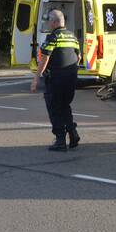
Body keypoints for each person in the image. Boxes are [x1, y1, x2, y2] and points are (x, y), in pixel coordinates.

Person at [30, 9, 81, 151]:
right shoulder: (72, 37)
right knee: (65, 106)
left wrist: (36, 78)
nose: (48, 24)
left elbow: (45, 58)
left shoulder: (53, 37)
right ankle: (73, 134)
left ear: (54, 22)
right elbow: (78, 58)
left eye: (49, 21)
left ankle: (60, 140)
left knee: (54, 108)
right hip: (71, 79)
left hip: (56, 80)